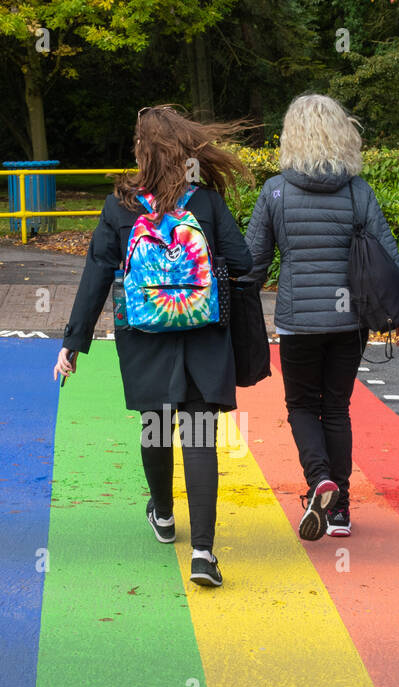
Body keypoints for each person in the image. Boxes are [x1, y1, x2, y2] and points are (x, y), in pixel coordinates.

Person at [53, 105, 254, 587]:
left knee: (156, 424)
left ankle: (163, 515)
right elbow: (244, 261)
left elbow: (96, 278)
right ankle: (204, 554)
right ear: (186, 151)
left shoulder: (119, 208)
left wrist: (73, 343)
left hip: (143, 336)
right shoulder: (204, 203)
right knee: (200, 434)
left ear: (142, 152)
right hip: (204, 335)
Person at [245, 93, 399, 541]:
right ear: (342, 134)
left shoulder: (275, 191)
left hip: (297, 321)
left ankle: (320, 480)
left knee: (301, 405)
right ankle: (341, 512)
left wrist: (231, 313)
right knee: (337, 407)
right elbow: (387, 256)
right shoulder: (358, 191)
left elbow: (253, 265)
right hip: (350, 321)